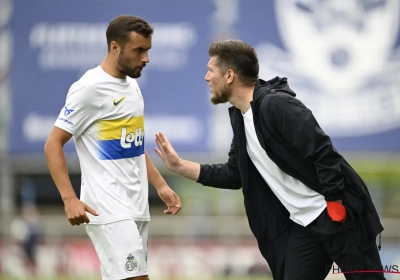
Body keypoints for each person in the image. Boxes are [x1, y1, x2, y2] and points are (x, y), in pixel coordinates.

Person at [154, 39, 385, 280]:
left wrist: (335, 204)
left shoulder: (277, 104)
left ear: (229, 75)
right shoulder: (242, 118)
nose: (206, 77)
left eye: (211, 70)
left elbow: (322, 152)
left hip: (339, 215)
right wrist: (179, 166)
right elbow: (234, 175)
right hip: (305, 225)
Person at [44, 15, 182, 280]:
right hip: (107, 207)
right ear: (114, 47)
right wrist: (69, 198)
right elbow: (53, 145)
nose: (146, 58)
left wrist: (161, 185)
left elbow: (133, 145)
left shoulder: (132, 86)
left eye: (148, 50)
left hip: (136, 207)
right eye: (139, 50)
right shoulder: (89, 88)